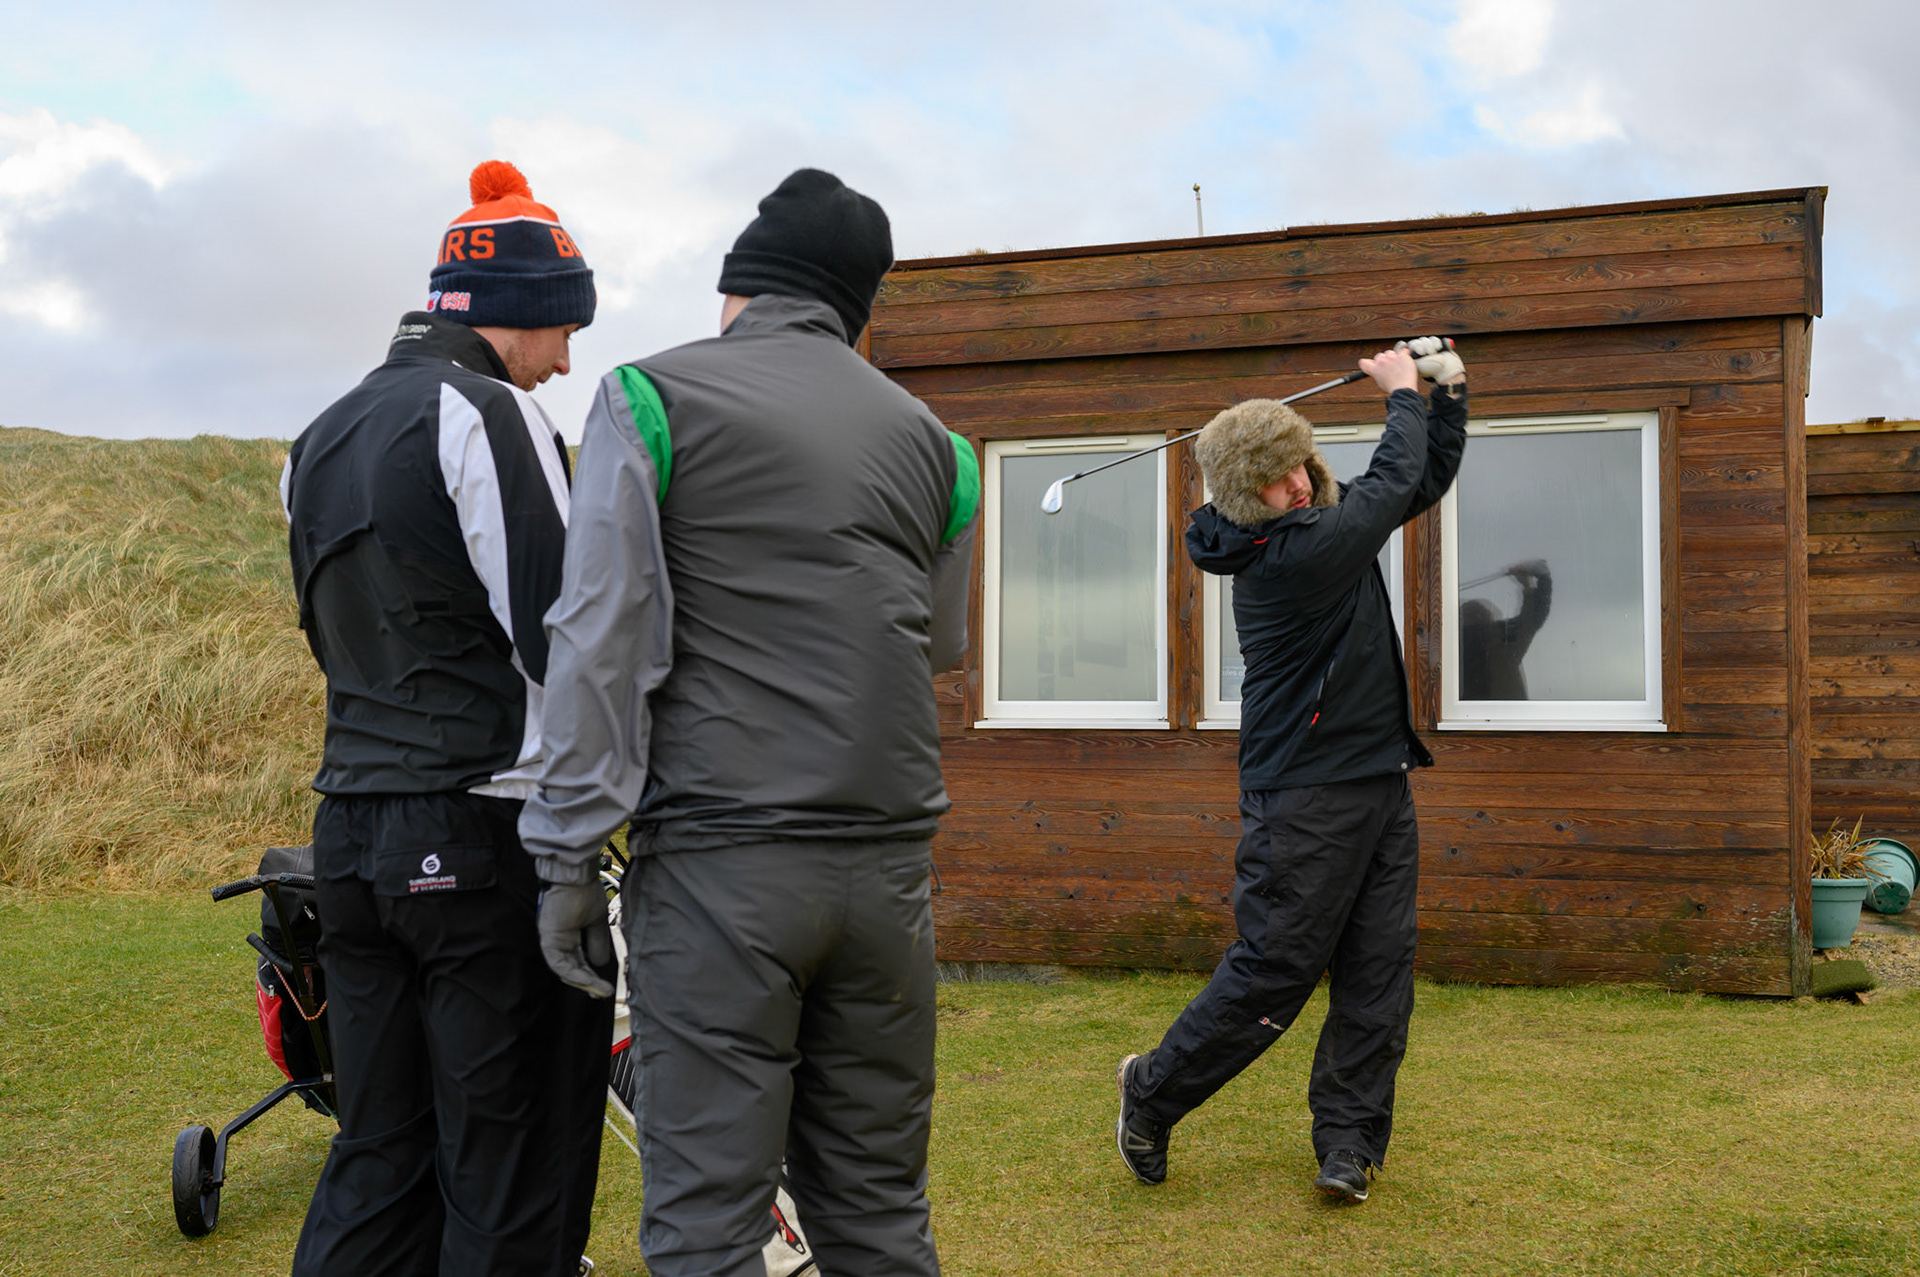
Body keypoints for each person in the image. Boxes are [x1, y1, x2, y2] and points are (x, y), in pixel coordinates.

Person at [520, 168, 978, 1277]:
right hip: (888, 878)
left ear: (738, 288)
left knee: (708, 1225)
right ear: (857, 309)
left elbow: (600, 638)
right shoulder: (942, 447)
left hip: (723, 868)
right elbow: (942, 642)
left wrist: (567, 852)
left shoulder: (648, 397)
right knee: (878, 1211)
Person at [282, 160, 612, 1277]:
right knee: (513, 1161)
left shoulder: (316, 437)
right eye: (562, 329)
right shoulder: (492, 414)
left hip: (349, 835)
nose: (564, 360)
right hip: (480, 833)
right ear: (512, 313)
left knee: (381, 1151)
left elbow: (331, 639)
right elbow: (564, 636)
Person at [1113, 338, 1469, 1204]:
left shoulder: (1321, 528)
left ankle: (1349, 1141)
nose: (1299, 484)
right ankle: (1151, 1091)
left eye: (1301, 465)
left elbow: (1416, 481)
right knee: (1275, 971)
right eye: (1276, 478)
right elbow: (1388, 483)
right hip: (1303, 796)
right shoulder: (1288, 557)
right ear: (1248, 497)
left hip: (1379, 779)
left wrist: (1448, 394)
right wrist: (1402, 394)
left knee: (1378, 971)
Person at [1459, 560, 1553, 700]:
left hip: (1465, 712)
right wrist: (1537, 578)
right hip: (1507, 711)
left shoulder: (1450, 644)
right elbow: (1534, 617)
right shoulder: (1500, 638)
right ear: (1489, 618)